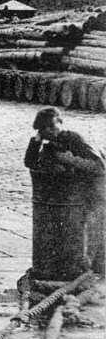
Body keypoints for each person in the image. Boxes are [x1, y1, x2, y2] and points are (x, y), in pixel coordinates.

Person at [25, 107, 105, 275]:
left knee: (95, 233)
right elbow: (31, 162)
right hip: (76, 194)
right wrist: (36, 141)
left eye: (53, 127)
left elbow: (99, 166)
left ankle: (94, 271)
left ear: (60, 123)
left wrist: (69, 159)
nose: (50, 131)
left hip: (97, 190)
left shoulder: (75, 139)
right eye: (45, 129)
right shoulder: (49, 145)